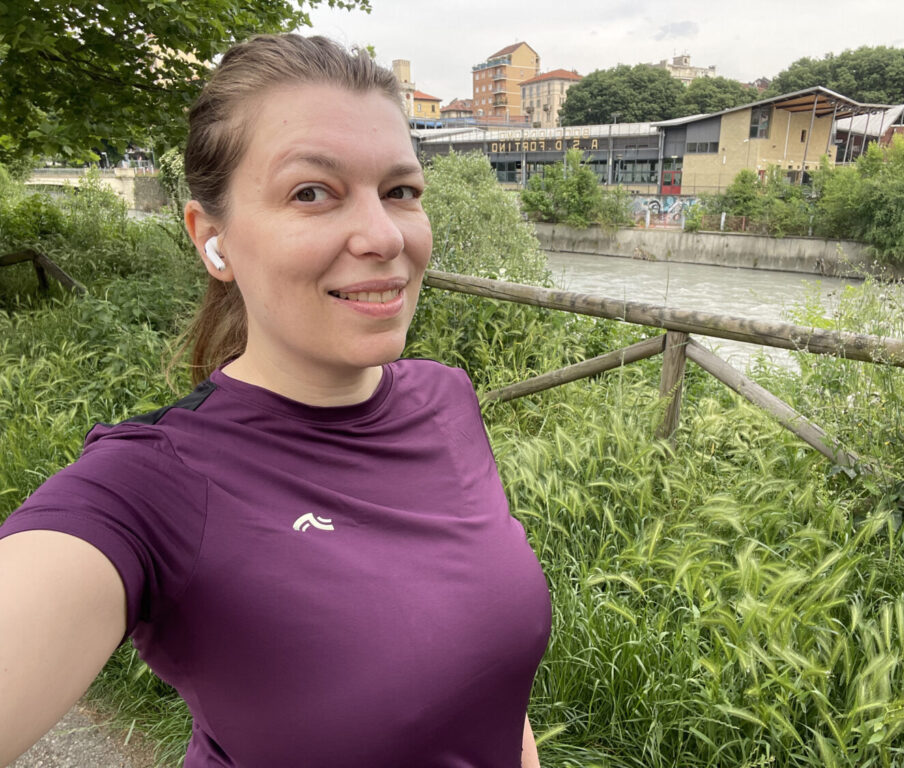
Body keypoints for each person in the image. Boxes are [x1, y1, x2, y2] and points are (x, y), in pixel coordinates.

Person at [0, 34, 551, 767]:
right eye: (312, 193)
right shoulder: (149, 485)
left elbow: (494, 696)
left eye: (400, 191)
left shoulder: (444, 398)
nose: (384, 236)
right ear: (213, 239)